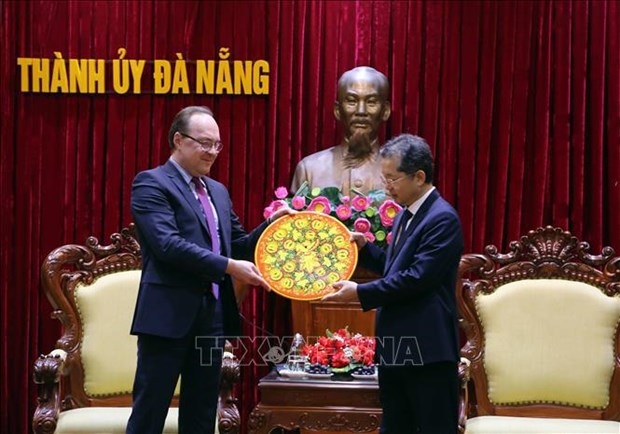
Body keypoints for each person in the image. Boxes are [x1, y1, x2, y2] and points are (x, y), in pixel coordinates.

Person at [126, 106, 291, 434]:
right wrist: (230, 267)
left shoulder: (217, 191)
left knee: (202, 414)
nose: (212, 152)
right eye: (204, 143)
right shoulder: (151, 184)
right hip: (167, 319)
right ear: (178, 140)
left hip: (212, 318)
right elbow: (168, 246)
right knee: (150, 411)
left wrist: (270, 225)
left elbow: (239, 246)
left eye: (217, 144)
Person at [322, 134, 463, 434]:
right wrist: (366, 248)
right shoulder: (406, 215)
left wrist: (360, 293)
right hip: (397, 347)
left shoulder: (442, 218)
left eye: (392, 178)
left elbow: (417, 278)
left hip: (427, 352)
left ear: (420, 176)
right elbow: (395, 267)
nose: (386, 186)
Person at [290, 66, 391, 195]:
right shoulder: (309, 169)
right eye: (351, 101)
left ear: (385, 111)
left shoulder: (403, 172)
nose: (361, 111)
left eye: (371, 102)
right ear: (337, 110)